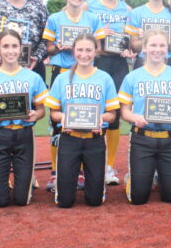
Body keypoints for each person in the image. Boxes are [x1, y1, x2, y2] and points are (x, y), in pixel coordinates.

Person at [118, 29, 171, 204]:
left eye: (162, 45)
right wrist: (134, 118)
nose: (157, 49)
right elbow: (124, 112)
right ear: (144, 47)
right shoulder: (132, 77)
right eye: (153, 45)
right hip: (142, 139)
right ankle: (136, 177)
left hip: (170, 139)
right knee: (138, 198)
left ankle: (160, 176)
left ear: (167, 48)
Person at [0, 29, 48, 207]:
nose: (10, 51)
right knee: (1, 201)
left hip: (24, 133)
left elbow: (41, 110)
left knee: (22, 200)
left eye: (14, 46)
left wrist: (34, 115)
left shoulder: (33, 77)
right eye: (5, 46)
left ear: (21, 48)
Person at [42, 0, 104, 191]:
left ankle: (82, 171)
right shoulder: (55, 18)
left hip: (86, 74)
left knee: (85, 117)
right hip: (62, 71)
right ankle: (55, 172)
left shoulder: (92, 18)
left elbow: (99, 47)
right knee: (57, 123)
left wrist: (84, 49)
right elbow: (48, 48)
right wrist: (59, 47)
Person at [46, 33, 119, 207]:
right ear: (73, 51)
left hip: (95, 140)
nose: (84, 54)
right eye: (80, 50)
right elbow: (53, 112)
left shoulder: (105, 78)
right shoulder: (62, 78)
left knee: (94, 201)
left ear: (96, 51)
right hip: (69, 139)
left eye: (88, 50)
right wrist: (63, 117)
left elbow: (112, 114)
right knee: (65, 202)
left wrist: (100, 118)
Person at [86, 0, 134, 187]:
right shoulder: (88, 6)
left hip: (119, 64)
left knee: (114, 114)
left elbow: (133, 39)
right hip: (98, 62)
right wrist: (97, 36)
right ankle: (90, 163)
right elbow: (78, 32)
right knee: (95, 111)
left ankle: (109, 166)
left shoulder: (127, 9)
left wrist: (129, 48)